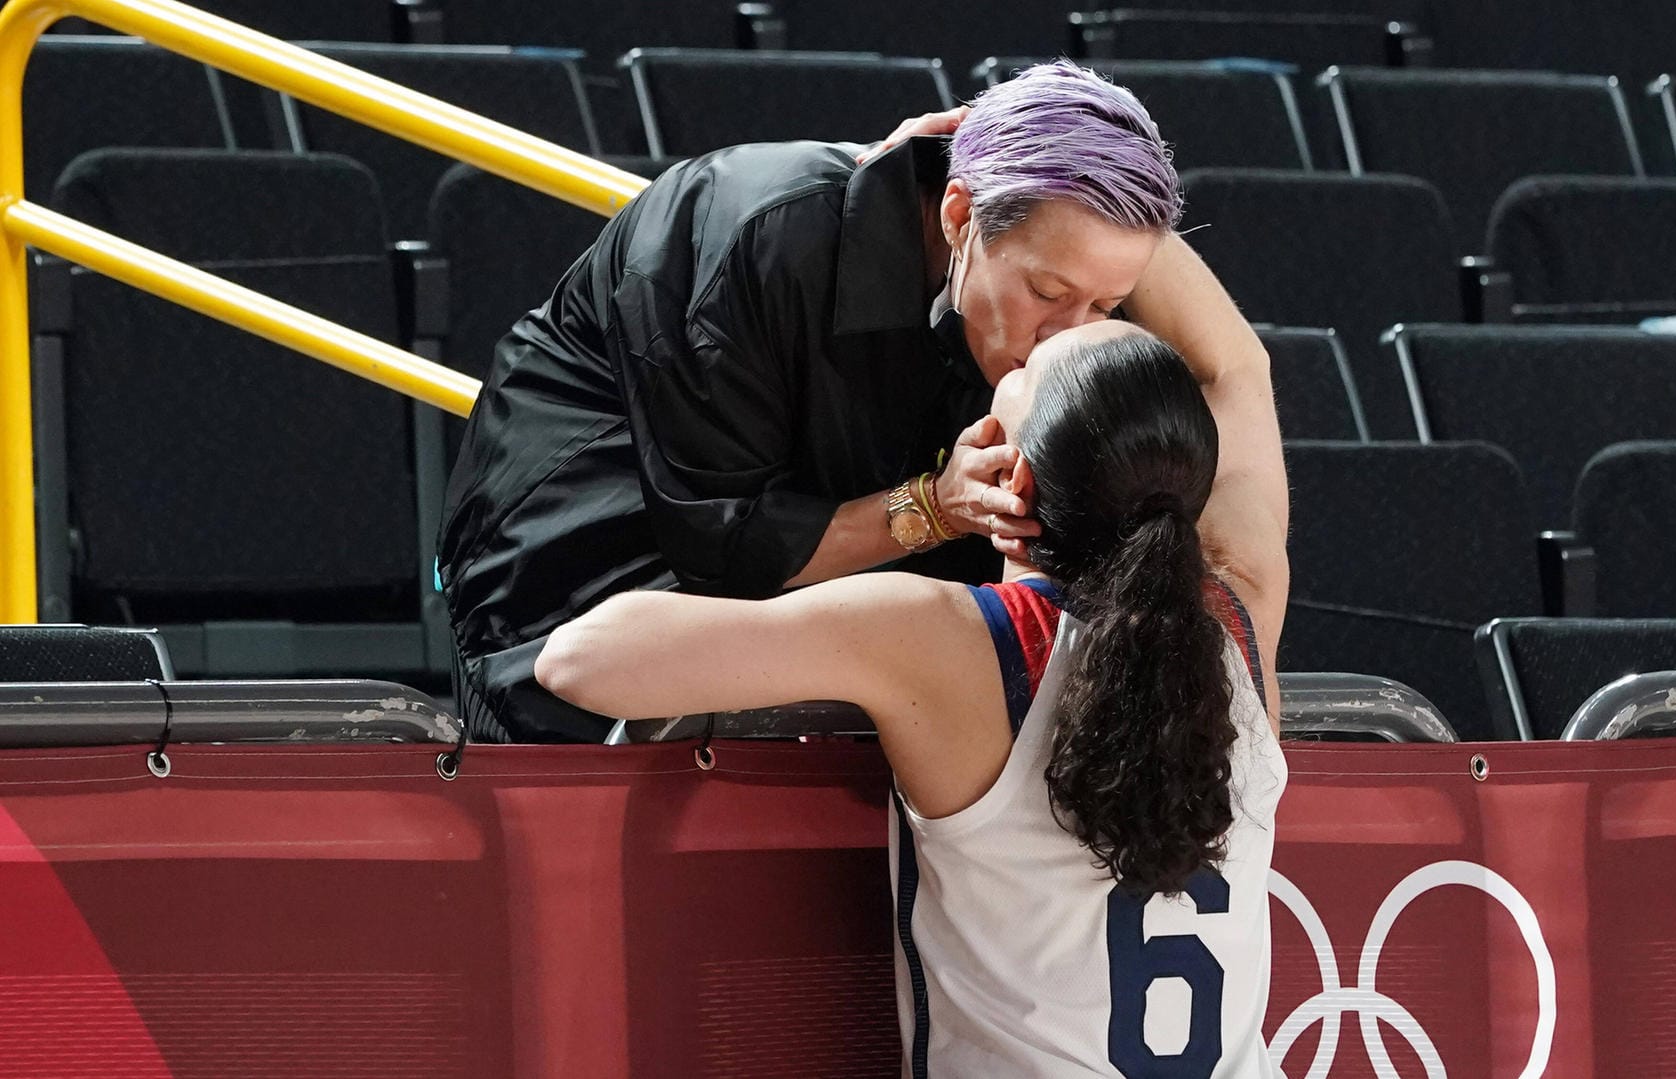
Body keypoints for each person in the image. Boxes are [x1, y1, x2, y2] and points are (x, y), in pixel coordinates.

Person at [534, 312, 1290, 1076]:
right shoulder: (1244, 617)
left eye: (1026, 369)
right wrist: (1128, 219)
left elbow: (579, 659)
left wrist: (927, 509)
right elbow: (1241, 370)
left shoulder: (951, 643)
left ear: (1011, 478)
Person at [436, 61, 1267, 743]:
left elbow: (1231, 365)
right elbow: (721, 548)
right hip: (583, 574)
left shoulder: (1023, 264)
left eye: (1106, 306)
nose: (1068, 337)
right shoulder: (759, 228)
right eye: (1051, 290)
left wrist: (1054, 139)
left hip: (819, 609)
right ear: (958, 210)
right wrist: (930, 511)